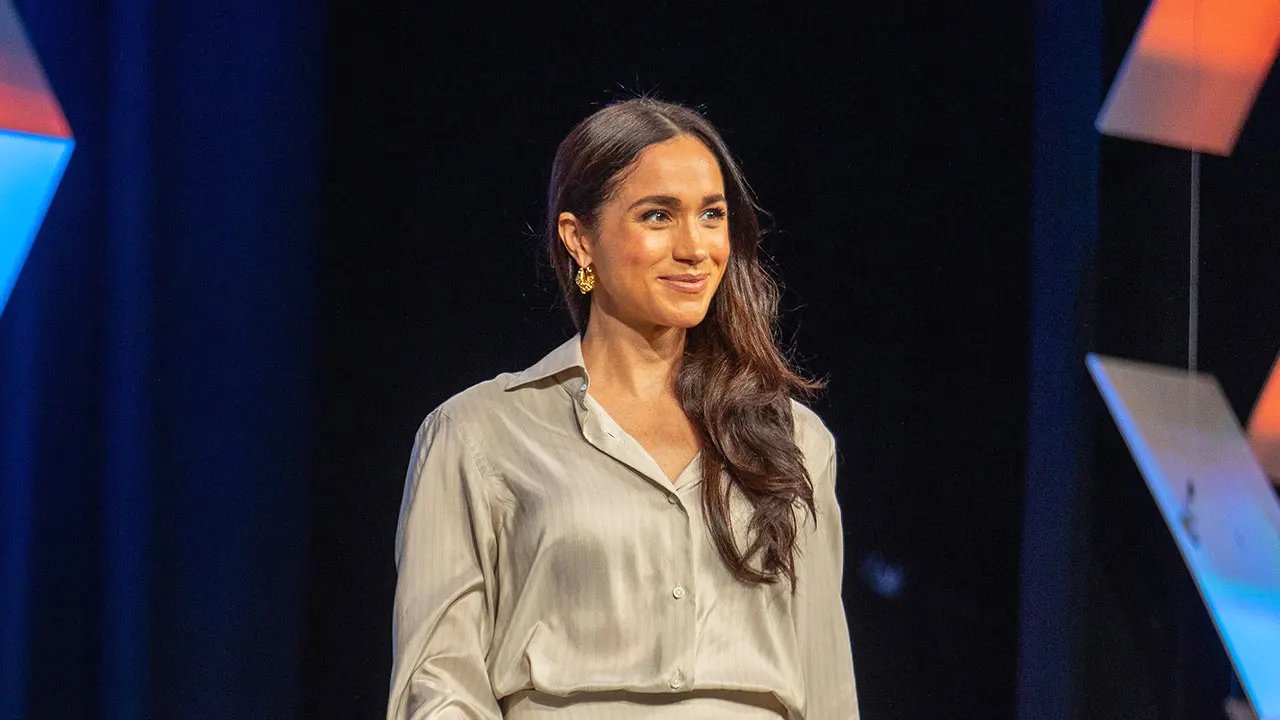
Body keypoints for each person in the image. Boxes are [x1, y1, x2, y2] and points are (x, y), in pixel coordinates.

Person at [387, 97, 859, 719]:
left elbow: (827, 687)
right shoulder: (478, 433)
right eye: (658, 215)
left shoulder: (794, 439)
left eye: (712, 215)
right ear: (579, 239)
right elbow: (438, 684)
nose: (694, 247)